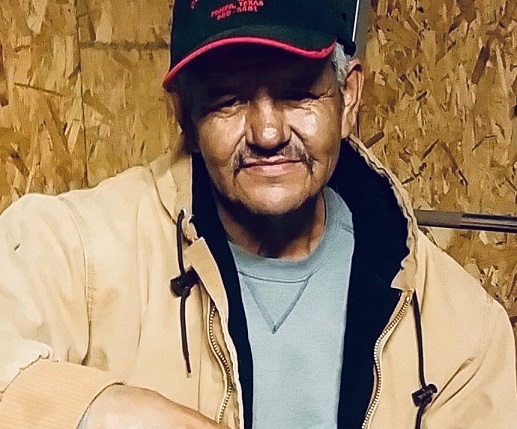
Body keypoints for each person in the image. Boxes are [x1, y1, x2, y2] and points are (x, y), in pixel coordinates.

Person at [0, 0, 516, 428]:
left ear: (348, 97)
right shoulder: (75, 247)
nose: (267, 133)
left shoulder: (461, 329)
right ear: (183, 112)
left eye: (298, 93)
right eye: (229, 98)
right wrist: (103, 410)